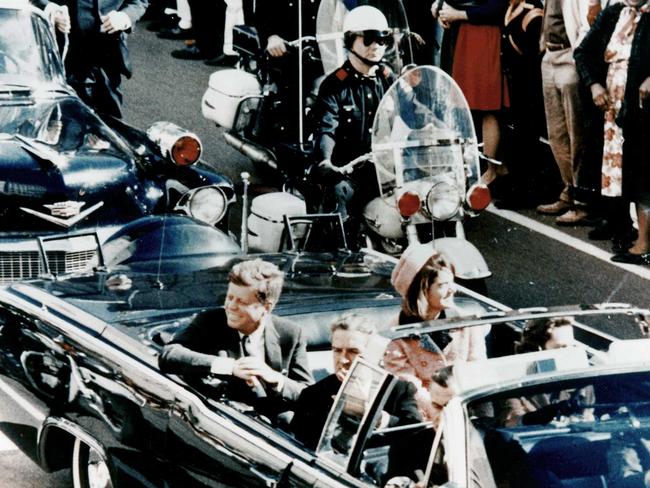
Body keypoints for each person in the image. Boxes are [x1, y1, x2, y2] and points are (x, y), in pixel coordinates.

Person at [159, 259, 313, 412]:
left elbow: (311, 395)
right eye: (229, 297)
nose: (231, 307)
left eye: (242, 302)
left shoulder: (291, 334)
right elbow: (169, 355)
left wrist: (275, 379)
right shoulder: (210, 322)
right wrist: (229, 367)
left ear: (266, 307)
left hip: (273, 429)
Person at [574, 0, 650, 265]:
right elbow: (582, 52)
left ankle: (643, 244)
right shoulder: (615, 13)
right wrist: (594, 84)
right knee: (613, 170)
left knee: (642, 174)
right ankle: (620, 228)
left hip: (642, 111)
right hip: (612, 109)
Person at [312, 5, 396, 244]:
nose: (376, 46)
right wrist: (325, 160)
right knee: (340, 213)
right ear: (350, 40)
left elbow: (411, 112)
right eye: (369, 38)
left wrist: (432, 129)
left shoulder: (388, 78)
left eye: (382, 39)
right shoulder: (335, 84)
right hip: (348, 170)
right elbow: (326, 128)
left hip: (384, 170)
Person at [384, 243, 488, 421]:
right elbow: (409, 386)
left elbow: (478, 369)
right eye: (443, 285)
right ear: (421, 291)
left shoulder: (466, 321)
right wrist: (442, 412)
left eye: (452, 282)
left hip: (468, 405)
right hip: (424, 416)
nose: (452, 290)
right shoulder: (397, 330)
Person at [290, 313, 421, 451]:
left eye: (353, 351)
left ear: (372, 354)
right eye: (337, 350)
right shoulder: (313, 396)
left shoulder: (398, 390)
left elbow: (416, 433)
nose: (342, 360)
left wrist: (371, 414)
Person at [436, 0, 510, 187]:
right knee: (460, 105)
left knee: (488, 107)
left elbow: (498, 7)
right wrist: (439, 8)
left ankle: (492, 168)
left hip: (485, 35)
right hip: (462, 35)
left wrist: (457, 14)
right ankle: (475, 166)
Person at [34, 0, 148, 118]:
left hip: (108, 60)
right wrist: (51, 9)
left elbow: (139, 2)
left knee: (110, 127)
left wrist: (125, 17)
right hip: (64, 58)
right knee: (62, 122)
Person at [533, 0, 592, 225]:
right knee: (556, 134)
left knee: (576, 135)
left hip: (569, 57)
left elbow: (587, 23)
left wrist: (578, 55)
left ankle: (582, 201)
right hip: (550, 56)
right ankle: (568, 192)